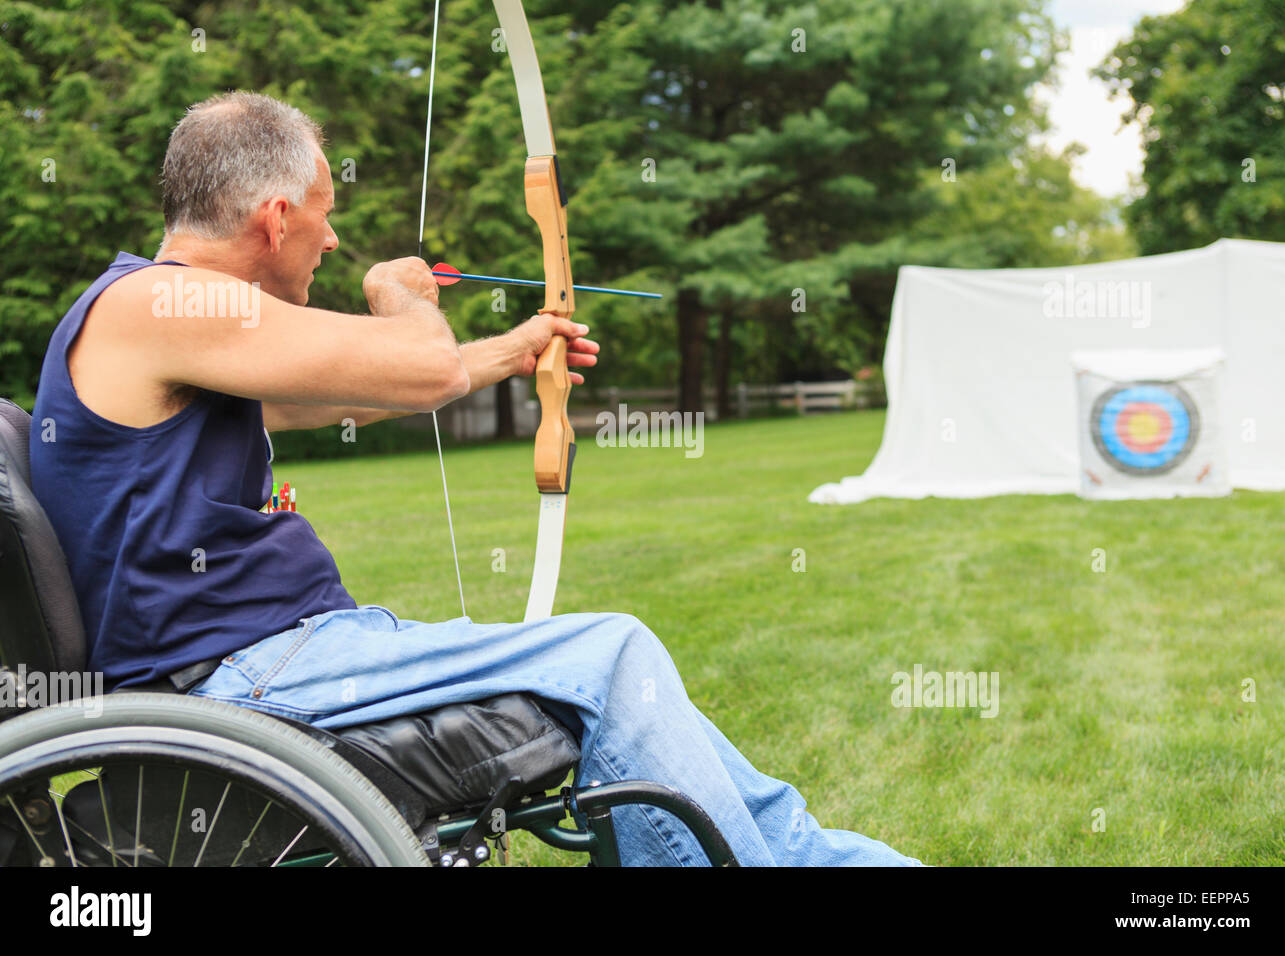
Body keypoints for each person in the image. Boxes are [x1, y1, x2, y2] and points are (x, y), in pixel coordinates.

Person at [29, 91, 921, 866]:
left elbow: (351, 395)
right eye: (323, 214)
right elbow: (418, 366)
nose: (331, 239)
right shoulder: (159, 301)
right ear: (273, 218)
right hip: (241, 679)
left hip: (279, 658)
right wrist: (401, 295)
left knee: (632, 686)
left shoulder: (171, 324)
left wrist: (509, 351)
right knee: (611, 654)